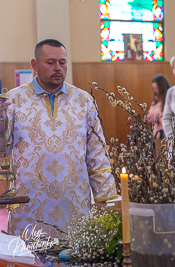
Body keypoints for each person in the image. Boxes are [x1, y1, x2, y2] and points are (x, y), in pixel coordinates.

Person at [1, 39, 117, 237]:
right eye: (50, 62)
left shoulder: (83, 101)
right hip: (29, 209)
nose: (58, 68)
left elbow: (97, 154)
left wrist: (103, 199)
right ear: (34, 65)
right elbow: (3, 150)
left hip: (75, 206)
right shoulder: (13, 100)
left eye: (62, 62)